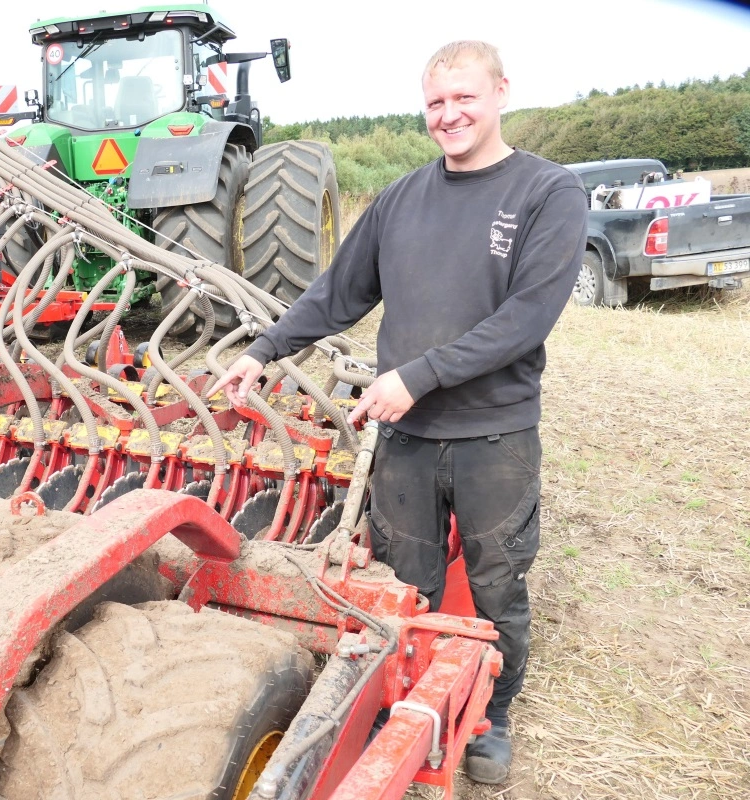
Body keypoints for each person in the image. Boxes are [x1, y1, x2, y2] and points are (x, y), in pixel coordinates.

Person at [208, 41, 587, 784]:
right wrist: (264, 350)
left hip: (494, 431)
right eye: (435, 104)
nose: (449, 116)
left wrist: (418, 375)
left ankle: (493, 716)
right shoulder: (402, 198)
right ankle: (401, 700)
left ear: (501, 92)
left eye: (464, 99)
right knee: (403, 581)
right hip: (407, 437)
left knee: (496, 582)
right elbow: (337, 292)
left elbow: (526, 318)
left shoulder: (547, 193)